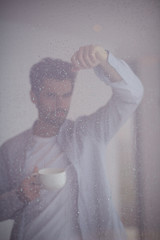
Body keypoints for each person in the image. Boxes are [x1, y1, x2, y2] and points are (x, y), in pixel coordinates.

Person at [0, 45, 144, 240]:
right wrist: (19, 196)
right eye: (51, 95)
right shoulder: (10, 150)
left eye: (66, 95)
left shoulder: (89, 134)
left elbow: (133, 95)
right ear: (34, 96)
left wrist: (103, 57)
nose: (60, 105)